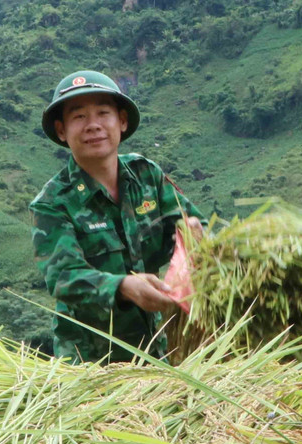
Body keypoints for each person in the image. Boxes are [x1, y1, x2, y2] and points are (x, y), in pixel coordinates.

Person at [30, 70, 204, 363]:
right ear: (61, 130)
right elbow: (64, 278)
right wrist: (123, 287)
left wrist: (194, 235)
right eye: (79, 117)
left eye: (103, 113)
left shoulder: (147, 175)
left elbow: (193, 226)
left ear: (121, 121)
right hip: (91, 366)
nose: (93, 125)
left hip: (158, 353)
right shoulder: (52, 203)